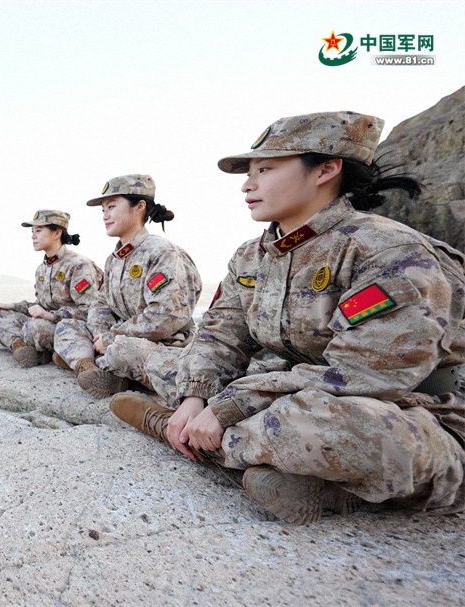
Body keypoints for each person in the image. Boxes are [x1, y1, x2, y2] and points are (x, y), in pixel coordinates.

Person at [110, 111, 465, 524]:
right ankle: (298, 474)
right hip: (292, 387)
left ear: (326, 170)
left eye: (265, 170)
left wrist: (229, 407)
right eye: (249, 173)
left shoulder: (389, 252)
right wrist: (196, 397)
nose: (248, 184)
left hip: (410, 407)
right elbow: (220, 335)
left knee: (342, 431)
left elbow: (364, 373)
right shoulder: (252, 255)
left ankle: (186, 434)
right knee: (167, 363)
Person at [53, 175, 201, 398]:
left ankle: (97, 365)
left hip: (163, 345)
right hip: (117, 337)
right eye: (103, 209)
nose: (105, 215)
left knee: (124, 350)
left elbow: (167, 315)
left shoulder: (161, 252)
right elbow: (101, 303)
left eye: (112, 207)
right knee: (66, 326)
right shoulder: (115, 259)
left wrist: (112, 337)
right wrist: (101, 334)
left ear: (139, 207)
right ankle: (88, 367)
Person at [0, 210, 102, 367]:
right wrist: (13, 306)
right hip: (50, 325)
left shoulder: (78, 265)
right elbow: (41, 306)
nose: (33, 236)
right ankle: (21, 348)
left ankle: (50, 354)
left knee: (35, 327)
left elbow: (90, 311)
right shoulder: (42, 269)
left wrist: (50, 316)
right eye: (32, 231)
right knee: (3, 315)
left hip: (72, 328)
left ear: (57, 233)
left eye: (38, 231)